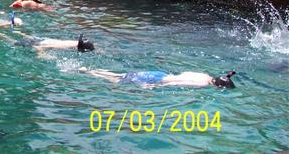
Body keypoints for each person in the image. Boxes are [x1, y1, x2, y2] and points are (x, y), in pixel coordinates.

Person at [79, 68, 236, 89]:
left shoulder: (204, 75)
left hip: (160, 73)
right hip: (157, 80)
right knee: (120, 80)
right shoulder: (202, 84)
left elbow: (180, 75)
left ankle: (93, 70)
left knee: (122, 75)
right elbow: (177, 83)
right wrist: (153, 87)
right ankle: (89, 72)